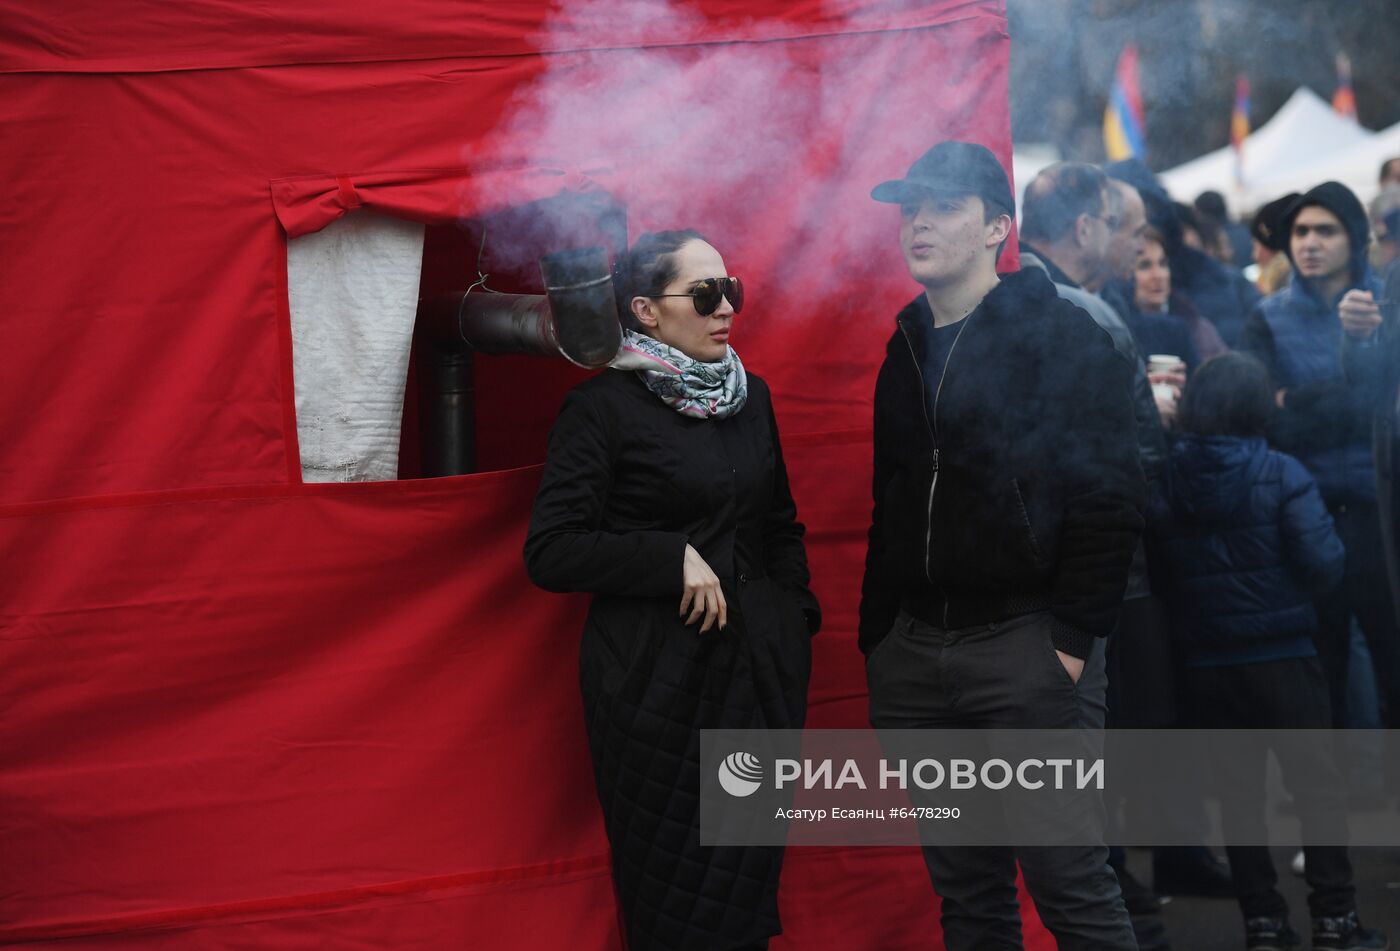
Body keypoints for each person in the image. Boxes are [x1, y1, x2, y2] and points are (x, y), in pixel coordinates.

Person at [861, 140, 1144, 950]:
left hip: (1027, 647)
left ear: (997, 229)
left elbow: (1112, 495)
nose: (918, 222)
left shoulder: (1062, 337)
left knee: (1071, 885)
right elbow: (893, 500)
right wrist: (880, 634)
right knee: (970, 892)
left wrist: (1070, 639)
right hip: (916, 656)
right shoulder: (906, 345)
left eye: (943, 207)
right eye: (910, 207)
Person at [524, 230, 820, 951]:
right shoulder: (602, 411)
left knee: (747, 901)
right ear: (646, 312)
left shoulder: (753, 399)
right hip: (655, 692)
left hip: (756, 681)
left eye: (732, 291)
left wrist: (791, 619)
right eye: (706, 294)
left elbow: (780, 524)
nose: (727, 310)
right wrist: (669, 558)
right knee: (676, 910)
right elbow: (552, 550)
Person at [1148, 352, 1388, 951]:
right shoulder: (1283, 473)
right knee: (1318, 790)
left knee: (1238, 798)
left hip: (1206, 664)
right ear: (1257, 406)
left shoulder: (1167, 479)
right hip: (1284, 658)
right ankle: (1335, 921)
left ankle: (1263, 923)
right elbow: (1325, 564)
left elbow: (1160, 569)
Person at [1238, 182, 1400, 732]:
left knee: (1391, 646)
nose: (1308, 243)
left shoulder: (1385, 305)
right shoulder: (1268, 317)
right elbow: (1263, 412)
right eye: (1300, 232)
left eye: (1324, 230)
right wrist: (1341, 396)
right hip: (1307, 511)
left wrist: (1303, 401)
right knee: (1321, 654)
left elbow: (1376, 402)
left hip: (1379, 507)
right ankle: (1331, 794)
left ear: (1352, 238)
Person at [1130, 226, 1219, 373]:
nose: (1158, 275)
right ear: (1127, 273)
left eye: (1163, 264)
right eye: (1144, 266)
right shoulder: (1118, 329)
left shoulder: (1196, 325)